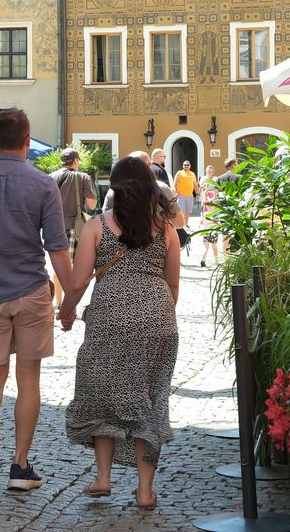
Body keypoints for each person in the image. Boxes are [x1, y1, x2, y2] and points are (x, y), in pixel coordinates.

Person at [0, 109, 72, 492]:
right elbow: (57, 248)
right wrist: (70, 295)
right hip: (30, 292)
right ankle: (20, 466)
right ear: (27, 140)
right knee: (28, 378)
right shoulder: (42, 185)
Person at [58, 156, 180, 510]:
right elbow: (172, 285)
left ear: (113, 186)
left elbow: (79, 281)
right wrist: (156, 316)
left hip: (109, 319)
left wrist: (66, 313)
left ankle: (103, 478)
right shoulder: (166, 230)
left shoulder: (97, 226)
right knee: (151, 401)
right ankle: (144, 491)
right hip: (158, 320)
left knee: (101, 394)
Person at [49, 148, 97, 311]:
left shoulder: (51, 177)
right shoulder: (82, 177)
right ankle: (71, 303)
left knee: (59, 265)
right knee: (74, 267)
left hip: (53, 227)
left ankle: (58, 301)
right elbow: (92, 204)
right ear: (76, 161)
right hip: (73, 227)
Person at [103, 152, 187, 228]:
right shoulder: (161, 188)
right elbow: (179, 223)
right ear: (147, 167)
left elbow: (105, 223)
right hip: (155, 240)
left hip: (121, 241)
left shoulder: (114, 191)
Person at [199, 164, 221, 267]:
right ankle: (216, 261)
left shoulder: (209, 180)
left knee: (206, 240)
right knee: (214, 242)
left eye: (211, 172)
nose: (210, 174)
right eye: (209, 172)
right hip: (212, 213)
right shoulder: (207, 180)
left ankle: (203, 259)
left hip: (206, 212)